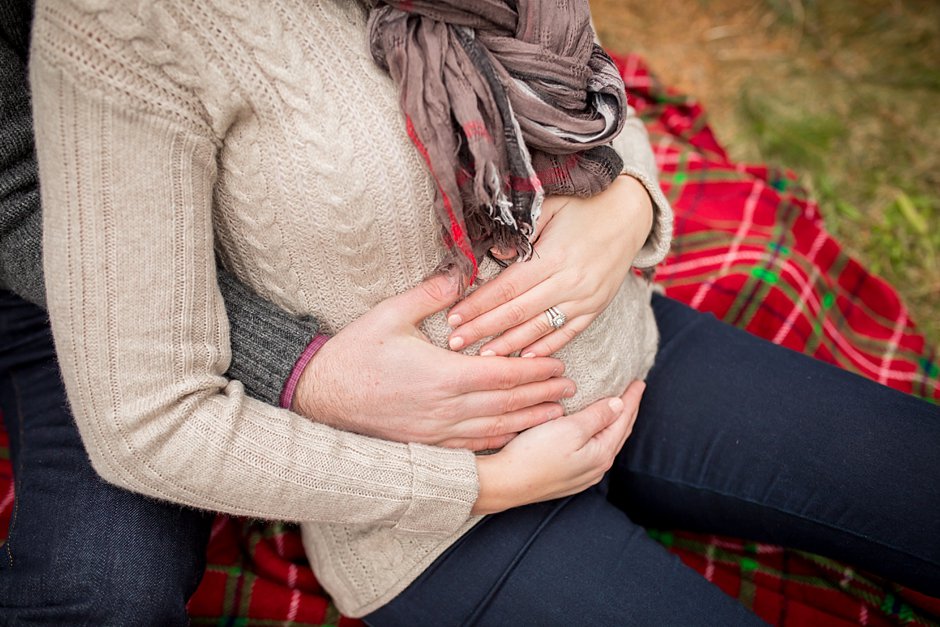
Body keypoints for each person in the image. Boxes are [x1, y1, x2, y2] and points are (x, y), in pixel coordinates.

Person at [28, 0, 939, 625]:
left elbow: (595, 90)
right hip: (435, 522)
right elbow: (145, 420)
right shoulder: (120, 28)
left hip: (632, 356)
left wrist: (629, 205)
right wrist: (480, 486)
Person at [0, 1, 576, 622]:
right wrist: (299, 368)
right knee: (105, 588)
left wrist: (628, 202)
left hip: (212, 225)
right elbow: (15, 195)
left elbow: (576, 72)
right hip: (57, 279)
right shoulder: (105, 31)